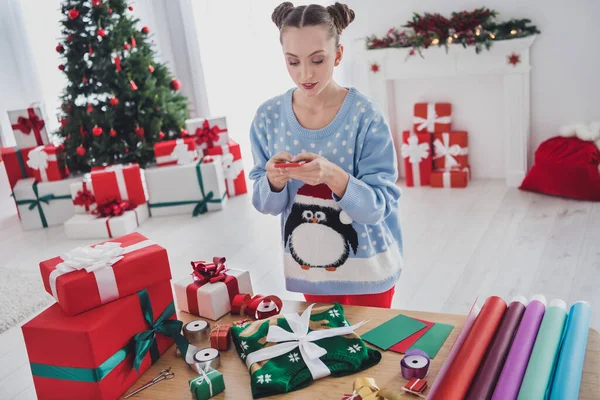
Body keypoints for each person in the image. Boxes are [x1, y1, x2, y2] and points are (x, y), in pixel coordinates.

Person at [248, 1, 402, 308]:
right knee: (322, 348)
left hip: (368, 269)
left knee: (371, 348)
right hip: (310, 265)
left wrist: (334, 176)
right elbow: (265, 203)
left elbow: (379, 207)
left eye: (317, 60)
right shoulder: (268, 118)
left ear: (338, 55)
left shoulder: (365, 116)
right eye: (293, 62)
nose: (305, 73)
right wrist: (273, 181)